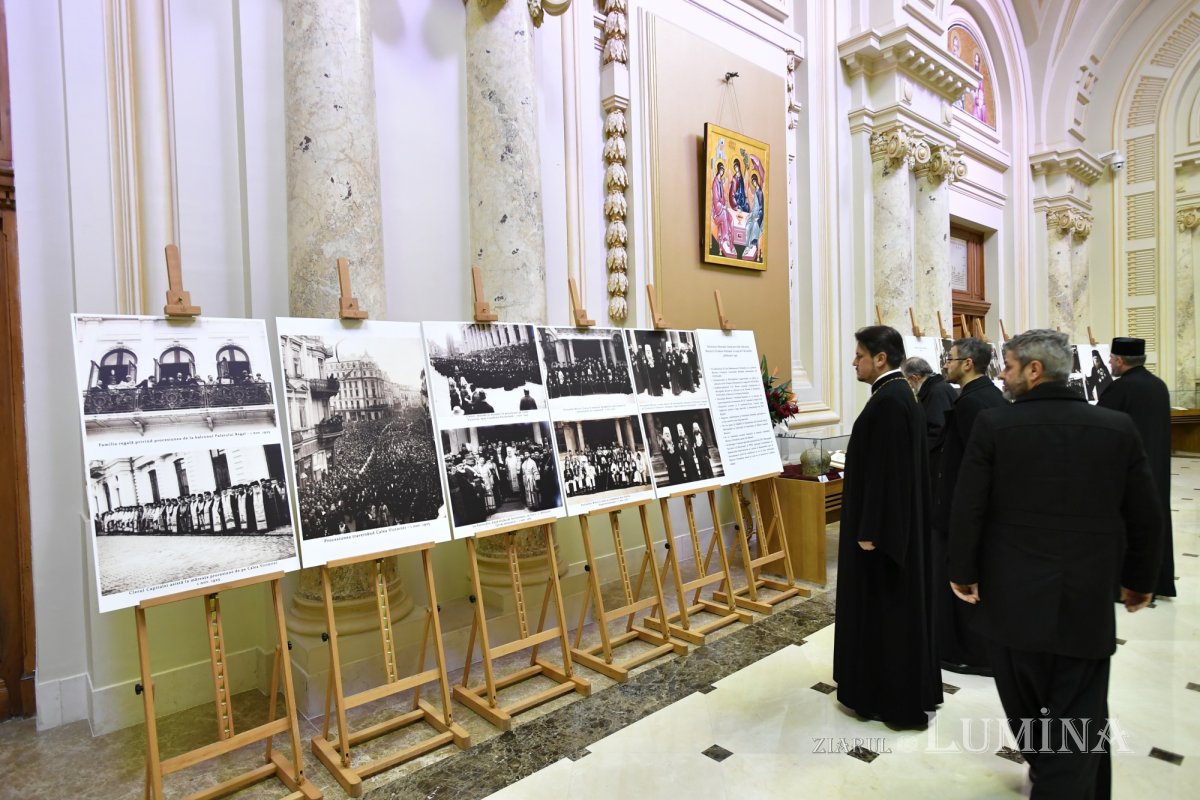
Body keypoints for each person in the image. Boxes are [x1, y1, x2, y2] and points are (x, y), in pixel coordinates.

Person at [949, 329, 1162, 798]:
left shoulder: (994, 426)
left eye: (1006, 366)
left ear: (1033, 370)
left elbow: (969, 508)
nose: (1001, 376)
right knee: (1079, 710)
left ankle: (1052, 774)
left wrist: (962, 573)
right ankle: (1066, 777)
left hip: (1010, 598)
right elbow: (1145, 514)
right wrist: (1139, 581)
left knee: (1025, 705)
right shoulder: (1114, 427)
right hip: (1085, 598)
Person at [833, 325, 942, 728]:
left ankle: (884, 694)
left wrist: (870, 530)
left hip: (879, 538)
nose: (853, 362)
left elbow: (887, 475)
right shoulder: (896, 396)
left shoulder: (890, 401)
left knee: (885, 615)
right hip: (887, 530)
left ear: (880, 358)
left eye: (859, 355)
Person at [930, 337, 1006, 675]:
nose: (946, 364)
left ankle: (967, 652)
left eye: (951, 358)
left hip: (963, 508)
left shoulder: (973, 404)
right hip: (977, 508)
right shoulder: (988, 395)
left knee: (960, 579)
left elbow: (967, 466)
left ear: (968, 364)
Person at [1097, 336, 1175, 598]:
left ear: (1119, 360)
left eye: (1111, 358)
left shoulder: (1119, 389)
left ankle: (1124, 583)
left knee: (1127, 524)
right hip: (1157, 466)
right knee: (1155, 520)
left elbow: (1101, 428)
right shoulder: (1158, 386)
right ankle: (1158, 580)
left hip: (1127, 471)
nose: (1109, 361)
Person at [901, 355, 958, 482]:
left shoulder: (936, 392)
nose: (909, 386)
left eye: (908, 381)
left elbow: (937, 430)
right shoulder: (938, 387)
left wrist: (917, 454)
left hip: (938, 463)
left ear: (915, 378)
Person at [710, 162, 737, 258]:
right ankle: (724, 239)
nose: (722, 172)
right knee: (725, 216)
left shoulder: (720, 182)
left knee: (730, 218)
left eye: (723, 170)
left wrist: (725, 205)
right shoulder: (715, 183)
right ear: (718, 170)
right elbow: (716, 200)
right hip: (717, 211)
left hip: (722, 208)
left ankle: (731, 241)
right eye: (721, 170)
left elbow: (723, 198)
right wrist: (722, 207)